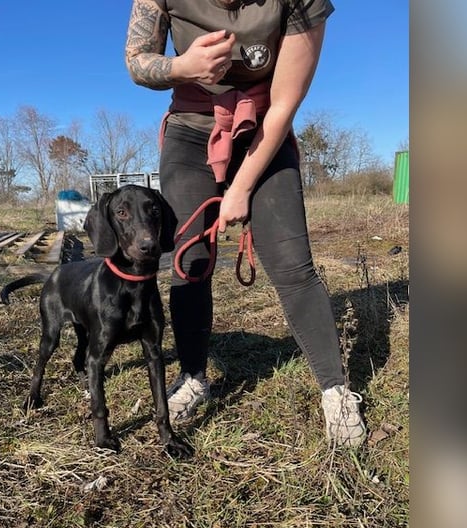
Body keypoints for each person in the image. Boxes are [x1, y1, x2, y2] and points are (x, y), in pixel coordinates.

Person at [125, 0, 365, 447]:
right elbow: (137, 62)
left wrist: (242, 187)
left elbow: (285, 101)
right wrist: (181, 67)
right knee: (189, 262)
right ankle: (194, 376)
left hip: (264, 124)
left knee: (293, 265)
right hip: (192, 127)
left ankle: (335, 389)